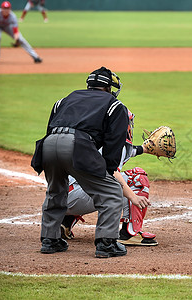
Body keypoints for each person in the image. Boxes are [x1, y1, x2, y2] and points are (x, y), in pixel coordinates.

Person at [31, 66, 150, 258]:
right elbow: (114, 141)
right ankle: (106, 243)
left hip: (48, 145)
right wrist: (109, 170)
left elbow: (51, 128)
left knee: (56, 191)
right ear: (110, 87)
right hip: (76, 146)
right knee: (111, 192)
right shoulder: (114, 105)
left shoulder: (64, 100)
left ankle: (50, 240)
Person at [60, 113, 158, 247]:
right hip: (78, 198)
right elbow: (112, 172)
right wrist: (133, 196)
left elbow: (125, 152)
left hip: (60, 198)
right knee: (137, 177)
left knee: (92, 179)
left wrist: (145, 149)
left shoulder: (93, 137)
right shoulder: (117, 143)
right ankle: (130, 233)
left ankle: (65, 221)